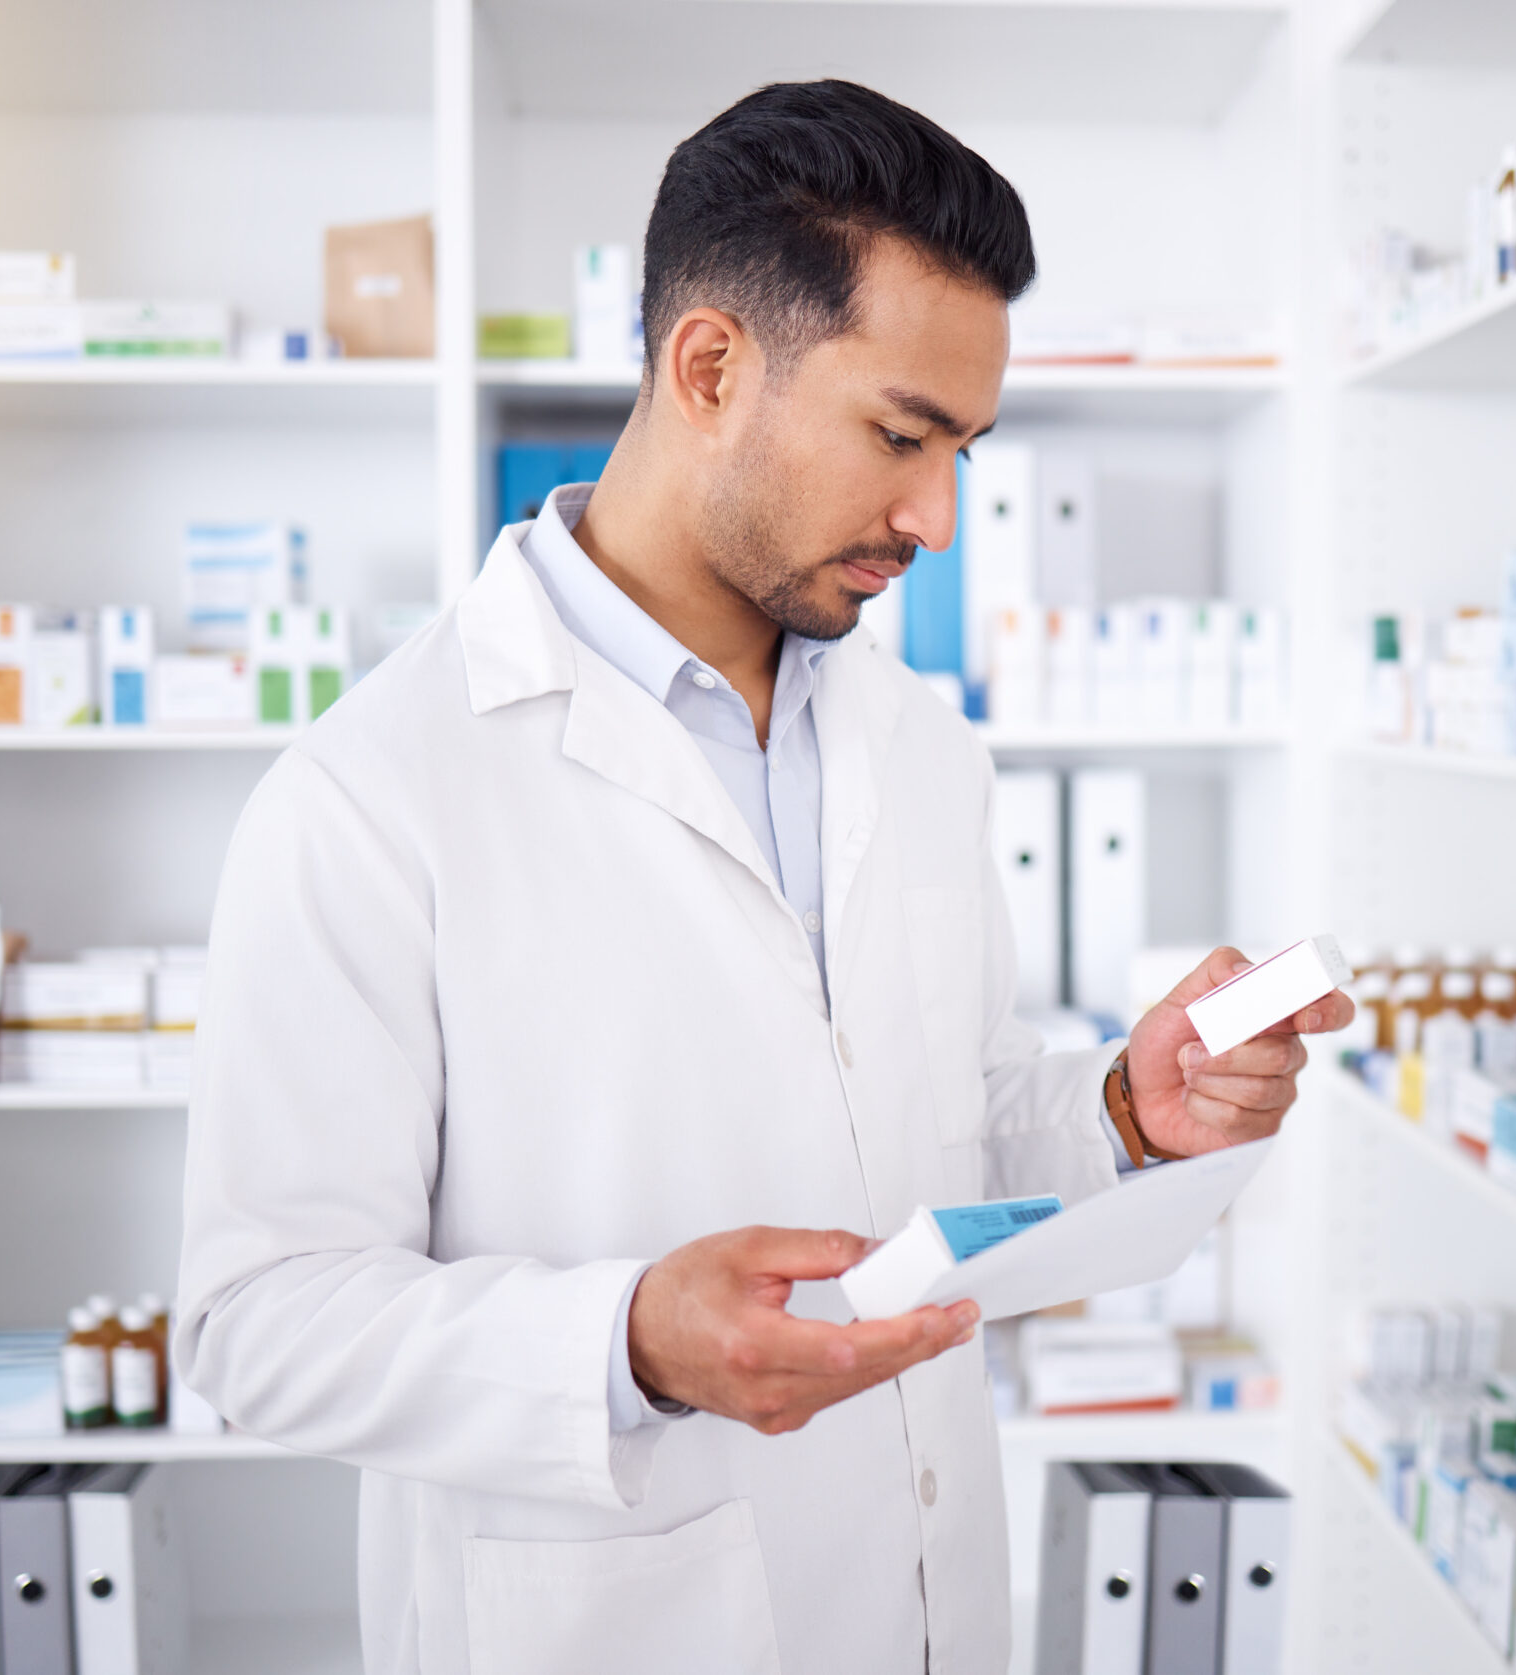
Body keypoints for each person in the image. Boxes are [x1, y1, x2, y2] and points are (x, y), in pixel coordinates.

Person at [175, 79, 1349, 1675]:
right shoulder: (375, 793)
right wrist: (629, 1342)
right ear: (710, 365)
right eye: (898, 435)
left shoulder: (921, 746)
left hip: (928, 1603)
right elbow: (263, 1322)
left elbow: (943, 1129)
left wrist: (1127, 1113)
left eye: (964, 451)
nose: (936, 515)